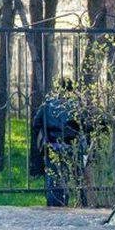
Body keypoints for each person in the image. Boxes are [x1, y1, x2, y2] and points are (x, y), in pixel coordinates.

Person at [32, 78, 87, 207]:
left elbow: (36, 122)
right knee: (71, 176)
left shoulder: (47, 104)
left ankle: (54, 204)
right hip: (71, 146)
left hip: (52, 145)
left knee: (53, 176)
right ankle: (76, 201)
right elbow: (83, 125)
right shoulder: (75, 105)